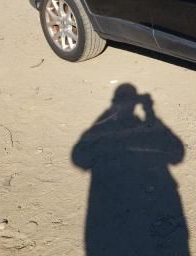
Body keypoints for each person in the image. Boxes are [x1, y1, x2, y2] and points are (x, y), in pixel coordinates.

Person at [72, 84, 189, 255]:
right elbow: (176, 153)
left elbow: (79, 157)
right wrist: (149, 111)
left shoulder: (109, 127)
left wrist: (112, 111)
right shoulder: (139, 126)